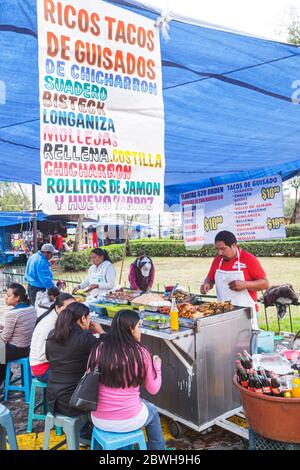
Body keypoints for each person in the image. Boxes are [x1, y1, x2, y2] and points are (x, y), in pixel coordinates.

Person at [90, 309, 165, 450]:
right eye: (139, 326)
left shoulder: (99, 348)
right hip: (129, 419)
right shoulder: (141, 352)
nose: (140, 330)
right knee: (153, 411)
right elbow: (153, 389)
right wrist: (158, 367)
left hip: (98, 419)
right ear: (130, 329)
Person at [200, 230, 269, 329]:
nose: (219, 253)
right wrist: (207, 284)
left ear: (233, 245)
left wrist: (245, 285)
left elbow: (265, 283)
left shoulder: (248, 259)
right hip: (223, 313)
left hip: (246, 314)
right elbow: (210, 279)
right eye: (217, 249)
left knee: (246, 343)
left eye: (223, 249)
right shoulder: (218, 260)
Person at [45, 302, 104, 417]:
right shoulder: (85, 338)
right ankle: (88, 429)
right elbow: (108, 352)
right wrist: (101, 332)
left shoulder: (52, 334)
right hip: (75, 401)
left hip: (53, 399)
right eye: (88, 318)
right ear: (83, 318)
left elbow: (48, 357)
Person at [29, 293, 74, 383]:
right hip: (42, 368)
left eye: (73, 308)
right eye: (68, 308)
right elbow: (42, 355)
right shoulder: (49, 324)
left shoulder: (59, 318)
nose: (72, 311)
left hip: (50, 362)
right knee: (76, 374)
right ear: (57, 308)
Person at [0, 283, 36, 386]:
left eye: (8, 296)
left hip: (16, 350)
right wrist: (3, 327)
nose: (6, 299)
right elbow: (20, 328)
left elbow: (4, 338)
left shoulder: (13, 314)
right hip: (28, 348)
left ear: (17, 298)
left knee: (1, 349)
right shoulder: (31, 308)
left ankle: (3, 376)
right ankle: (4, 375)